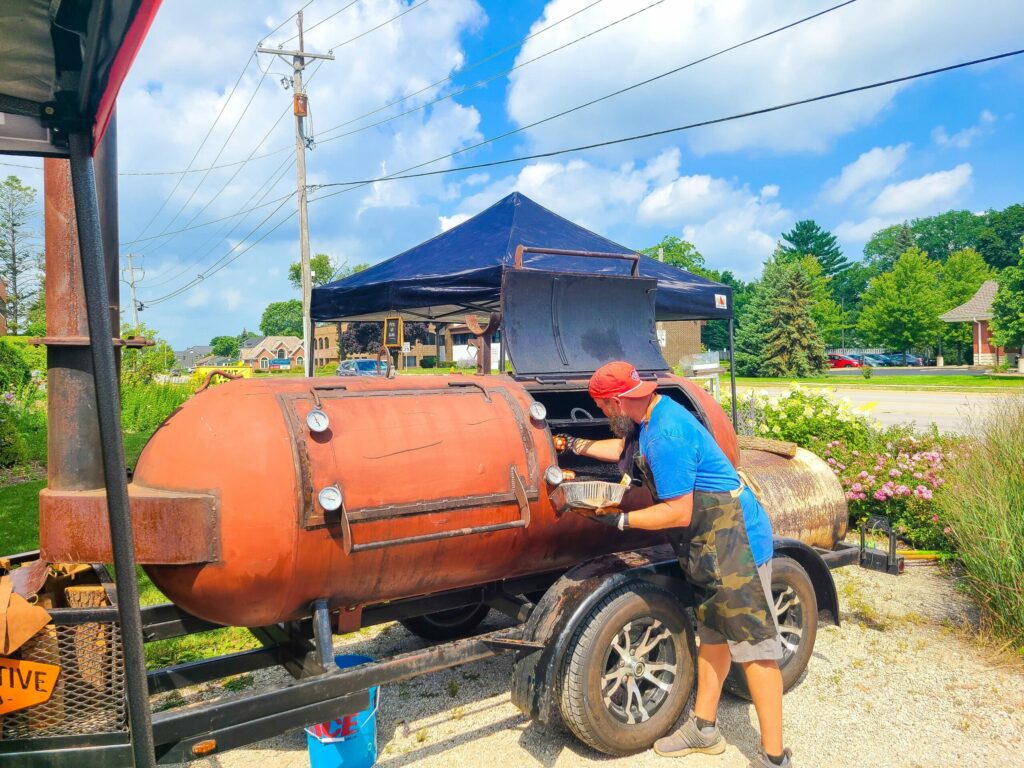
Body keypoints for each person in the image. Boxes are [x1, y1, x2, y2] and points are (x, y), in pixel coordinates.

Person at [558, 361, 791, 768]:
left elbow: (677, 513)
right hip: (710, 543)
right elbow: (623, 451)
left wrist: (618, 518)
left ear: (615, 401)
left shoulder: (665, 433)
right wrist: (571, 445)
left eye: (600, 407)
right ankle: (704, 729)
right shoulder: (651, 414)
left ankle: (775, 758)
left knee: (754, 649)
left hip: (734, 541)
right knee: (714, 633)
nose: (600, 415)